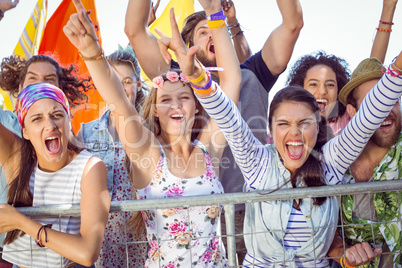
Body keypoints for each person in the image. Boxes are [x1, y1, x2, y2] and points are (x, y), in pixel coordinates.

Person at [185, 35, 402, 267]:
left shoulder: (331, 162)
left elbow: (368, 117)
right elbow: (228, 118)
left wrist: (398, 67)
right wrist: (198, 78)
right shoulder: (258, 163)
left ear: (318, 126)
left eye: (304, 123)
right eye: (283, 124)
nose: (295, 133)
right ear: (271, 128)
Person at [64, 0, 241, 266]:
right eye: (166, 100)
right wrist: (92, 51)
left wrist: (216, 14)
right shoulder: (147, 154)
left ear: (195, 107)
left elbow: (232, 80)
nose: (176, 104)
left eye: (184, 97)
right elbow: (118, 100)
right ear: (155, 110)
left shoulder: (210, 150)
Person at [125, 0, 303, 263]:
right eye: (202, 32)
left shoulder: (251, 73)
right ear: (187, 45)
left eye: (216, 29)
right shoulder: (175, 80)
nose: (212, 33)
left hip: (255, 212)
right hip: (197, 213)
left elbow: (293, 23)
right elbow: (135, 31)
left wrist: (217, 15)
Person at [0, 83, 110, 268]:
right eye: (37, 119)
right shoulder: (18, 161)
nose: (50, 125)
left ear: (69, 120)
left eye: (57, 115)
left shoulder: (90, 167)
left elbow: (88, 253)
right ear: (25, 131)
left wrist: (20, 221)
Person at [327, 58, 402, 268]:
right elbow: (322, 233)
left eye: (392, 100)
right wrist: (346, 254)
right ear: (352, 112)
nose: (385, 111)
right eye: (375, 104)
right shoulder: (334, 163)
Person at [77, 48, 148, 267]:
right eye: (114, 80)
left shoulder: (153, 130)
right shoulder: (86, 132)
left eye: (126, 81)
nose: (119, 87)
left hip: (145, 236)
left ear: (138, 85)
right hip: (103, 239)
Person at [286, 0, 398, 137]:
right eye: (313, 84)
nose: (322, 91)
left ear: (339, 91)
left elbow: (372, 67)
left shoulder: (349, 120)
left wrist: (388, 7)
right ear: (300, 89)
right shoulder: (288, 128)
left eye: (330, 84)